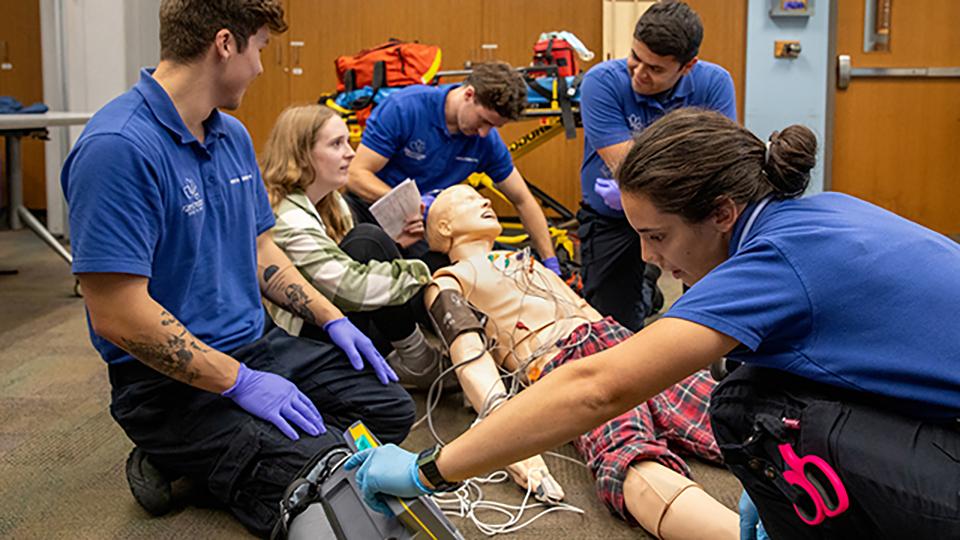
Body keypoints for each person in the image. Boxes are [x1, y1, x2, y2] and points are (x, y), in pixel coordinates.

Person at [345, 108, 960, 540]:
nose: (646, 257)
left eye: (656, 236)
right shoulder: (826, 211)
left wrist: (429, 467)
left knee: (747, 409)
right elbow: (477, 360)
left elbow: (598, 388)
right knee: (708, 411)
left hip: (598, 353)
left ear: (722, 212)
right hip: (555, 354)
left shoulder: (773, 264)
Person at [60, 1, 414, 536]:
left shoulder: (232, 135)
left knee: (389, 411)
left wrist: (329, 318)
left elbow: (261, 251)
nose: (261, 67)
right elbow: (116, 314)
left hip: (258, 346)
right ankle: (181, 444)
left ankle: (199, 457)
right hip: (163, 382)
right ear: (225, 44)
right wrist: (238, 382)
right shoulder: (117, 148)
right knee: (330, 469)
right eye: (260, 50)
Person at [412, 184, 738, 537]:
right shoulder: (447, 282)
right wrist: (503, 432)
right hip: (569, 363)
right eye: (470, 200)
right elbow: (469, 354)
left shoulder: (531, 264)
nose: (487, 201)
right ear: (443, 227)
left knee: (733, 414)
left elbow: (588, 312)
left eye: (483, 197)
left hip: (620, 343)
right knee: (628, 457)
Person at [578, 0, 736, 331]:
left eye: (655, 69)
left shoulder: (714, 83)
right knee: (611, 323)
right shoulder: (601, 82)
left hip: (690, 216)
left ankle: (649, 280)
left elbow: (718, 162)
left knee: (709, 316)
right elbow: (631, 169)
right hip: (614, 218)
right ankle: (647, 283)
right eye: (635, 58)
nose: (638, 73)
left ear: (687, 66)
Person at [260, 103, 442, 386]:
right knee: (370, 242)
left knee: (391, 251)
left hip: (337, 321)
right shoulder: (287, 215)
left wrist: (400, 248)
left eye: (347, 141)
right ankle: (420, 358)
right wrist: (431, 276)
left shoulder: (334, 203)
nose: (351, 152)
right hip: (298, 339)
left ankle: (436, 354)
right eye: (336, 144)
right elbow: (351, 288)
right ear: (302, 154)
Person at [346, 61, 560, 274]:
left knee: (499, 267)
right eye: (483, 120)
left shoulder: (486, 141)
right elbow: (356, 175)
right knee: (429, 269)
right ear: (468, 94)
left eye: (494, 126)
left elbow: (522, 200)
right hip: (371, 211)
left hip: (424, 226)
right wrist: (413, 204)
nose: (485, 132)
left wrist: (551, 264)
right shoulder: (405, 108)